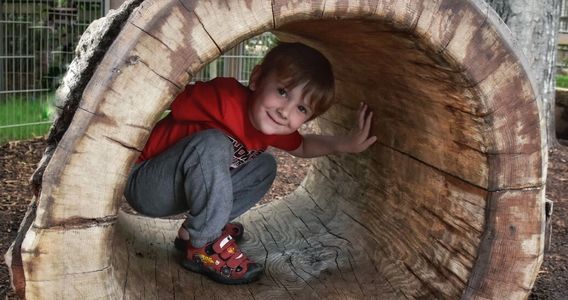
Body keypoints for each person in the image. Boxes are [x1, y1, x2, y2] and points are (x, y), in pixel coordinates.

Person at [124, 42, 377, 285]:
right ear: (257, 79)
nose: (285, 112)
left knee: (264, 166)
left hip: (187, 189)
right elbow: (164, 93)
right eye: (282, 92)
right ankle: (205, 243)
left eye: (301, 108)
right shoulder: (222, 97)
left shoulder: (274, 127)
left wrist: (344, 144)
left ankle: (195, 232)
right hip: (149, 183)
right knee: (214, 143)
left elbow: (302, 146)